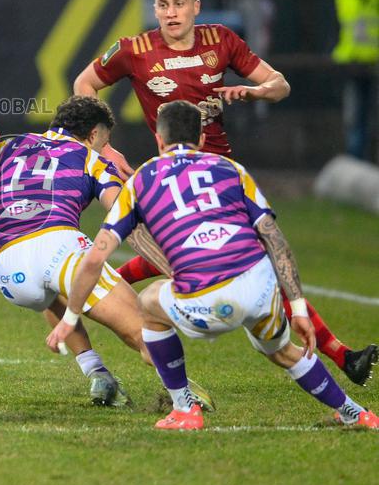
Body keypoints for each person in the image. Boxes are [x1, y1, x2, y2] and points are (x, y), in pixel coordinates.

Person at [73, 0, 377, 385]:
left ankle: (89, 287)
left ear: (196, 6)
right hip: (174, 182)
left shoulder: (222, 40)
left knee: (179, 258)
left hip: (222, 177)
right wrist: (104, 146)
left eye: (179, 3)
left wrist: (254, 91)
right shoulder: (134, 49)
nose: (171, 13)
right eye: (163, 5)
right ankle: (341, 355)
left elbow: (280, 84)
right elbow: (84, 83)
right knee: (254, 260)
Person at [47, 100, 378, 430]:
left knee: (149, 301)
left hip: (206, 298)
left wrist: (71, 316)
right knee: (283, 352)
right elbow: (275, 240)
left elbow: (94, 259)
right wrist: (299, 310)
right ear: (202, 139)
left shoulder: (141, 180)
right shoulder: (232, 170)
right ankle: (356, 412)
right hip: (259, 287)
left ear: (159, 141)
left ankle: (184, 409)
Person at [0, 96, 211, 407]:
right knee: (142, 331)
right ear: (93, 135)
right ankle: (185, 398)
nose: (105, 147)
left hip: (9, 269)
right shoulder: (92, 159)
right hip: (57, 247)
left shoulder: (9, 144)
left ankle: (98, 374)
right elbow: (121, 216)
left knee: (55, 290)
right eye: (105, 140)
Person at [332, 0, 379, 161]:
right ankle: (356, 162)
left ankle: (363, 161)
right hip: (353, 65)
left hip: (372, 65)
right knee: (355, 119)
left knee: (363, 119)